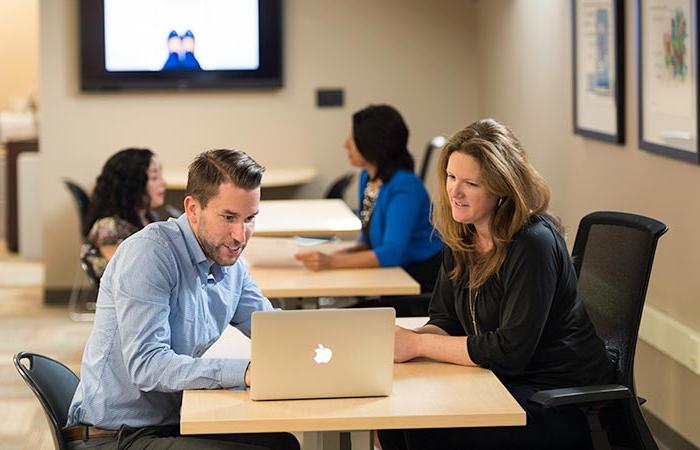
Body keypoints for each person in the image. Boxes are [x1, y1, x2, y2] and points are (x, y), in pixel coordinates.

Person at [380, 119, 613, 450]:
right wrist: (403, 341)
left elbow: (510, 351)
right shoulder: (463, 234)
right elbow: (447, 320)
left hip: (553, 400)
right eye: (450, 177)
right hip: (500, 383)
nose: (454, 192)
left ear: (502, 187)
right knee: (396, 419)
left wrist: (418, 346)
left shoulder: (533, 243)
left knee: (423, 430)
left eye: (470, 183)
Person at [66, 149, 299, 450]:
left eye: (250, 218)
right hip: (114, 435)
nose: (241, 235)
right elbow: (147, 366)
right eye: (228, 217)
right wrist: (242, 371)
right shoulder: (149, 254)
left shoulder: (229, 261)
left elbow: (270, 328)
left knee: (282, 443)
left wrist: (321, 346)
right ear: (192, 209)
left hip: (171, 421)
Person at [295, 104, 442, 294]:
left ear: (371, 143)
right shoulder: (368, 176)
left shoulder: (405, 187)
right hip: (391, 277)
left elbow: (391, 253)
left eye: (352, 138)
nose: (346, 144)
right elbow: (369, 240)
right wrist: (335, 255)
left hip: (417, 282)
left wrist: (331, 262)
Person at [81, 148, 166, 280]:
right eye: (154, 178)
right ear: (132, 185)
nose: (163, 183)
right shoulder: (109, 228)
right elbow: (128, 274)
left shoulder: (146, 216)